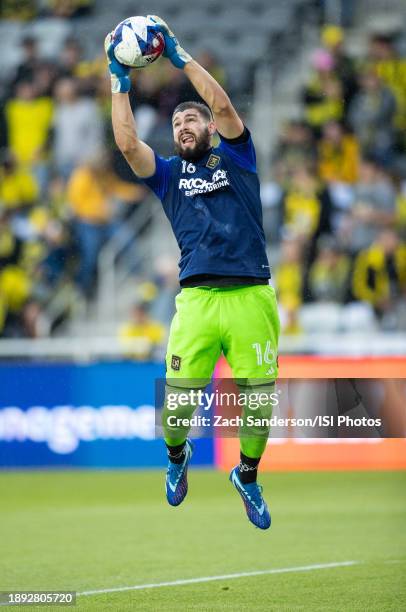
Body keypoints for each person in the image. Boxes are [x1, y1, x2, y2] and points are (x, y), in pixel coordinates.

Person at [105, 16, 280, 530]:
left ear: (209, 128)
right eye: (178, 123)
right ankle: (177, 459)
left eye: (192, 121)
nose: (184, 127)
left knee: (258, 405)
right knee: (177, 409)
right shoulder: (167, 177)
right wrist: (118, 79)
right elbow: (126, 144)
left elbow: (223, 105)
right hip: (198, 301)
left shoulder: (239, 158)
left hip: (251, 295)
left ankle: (247, 476)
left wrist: (179, 57)